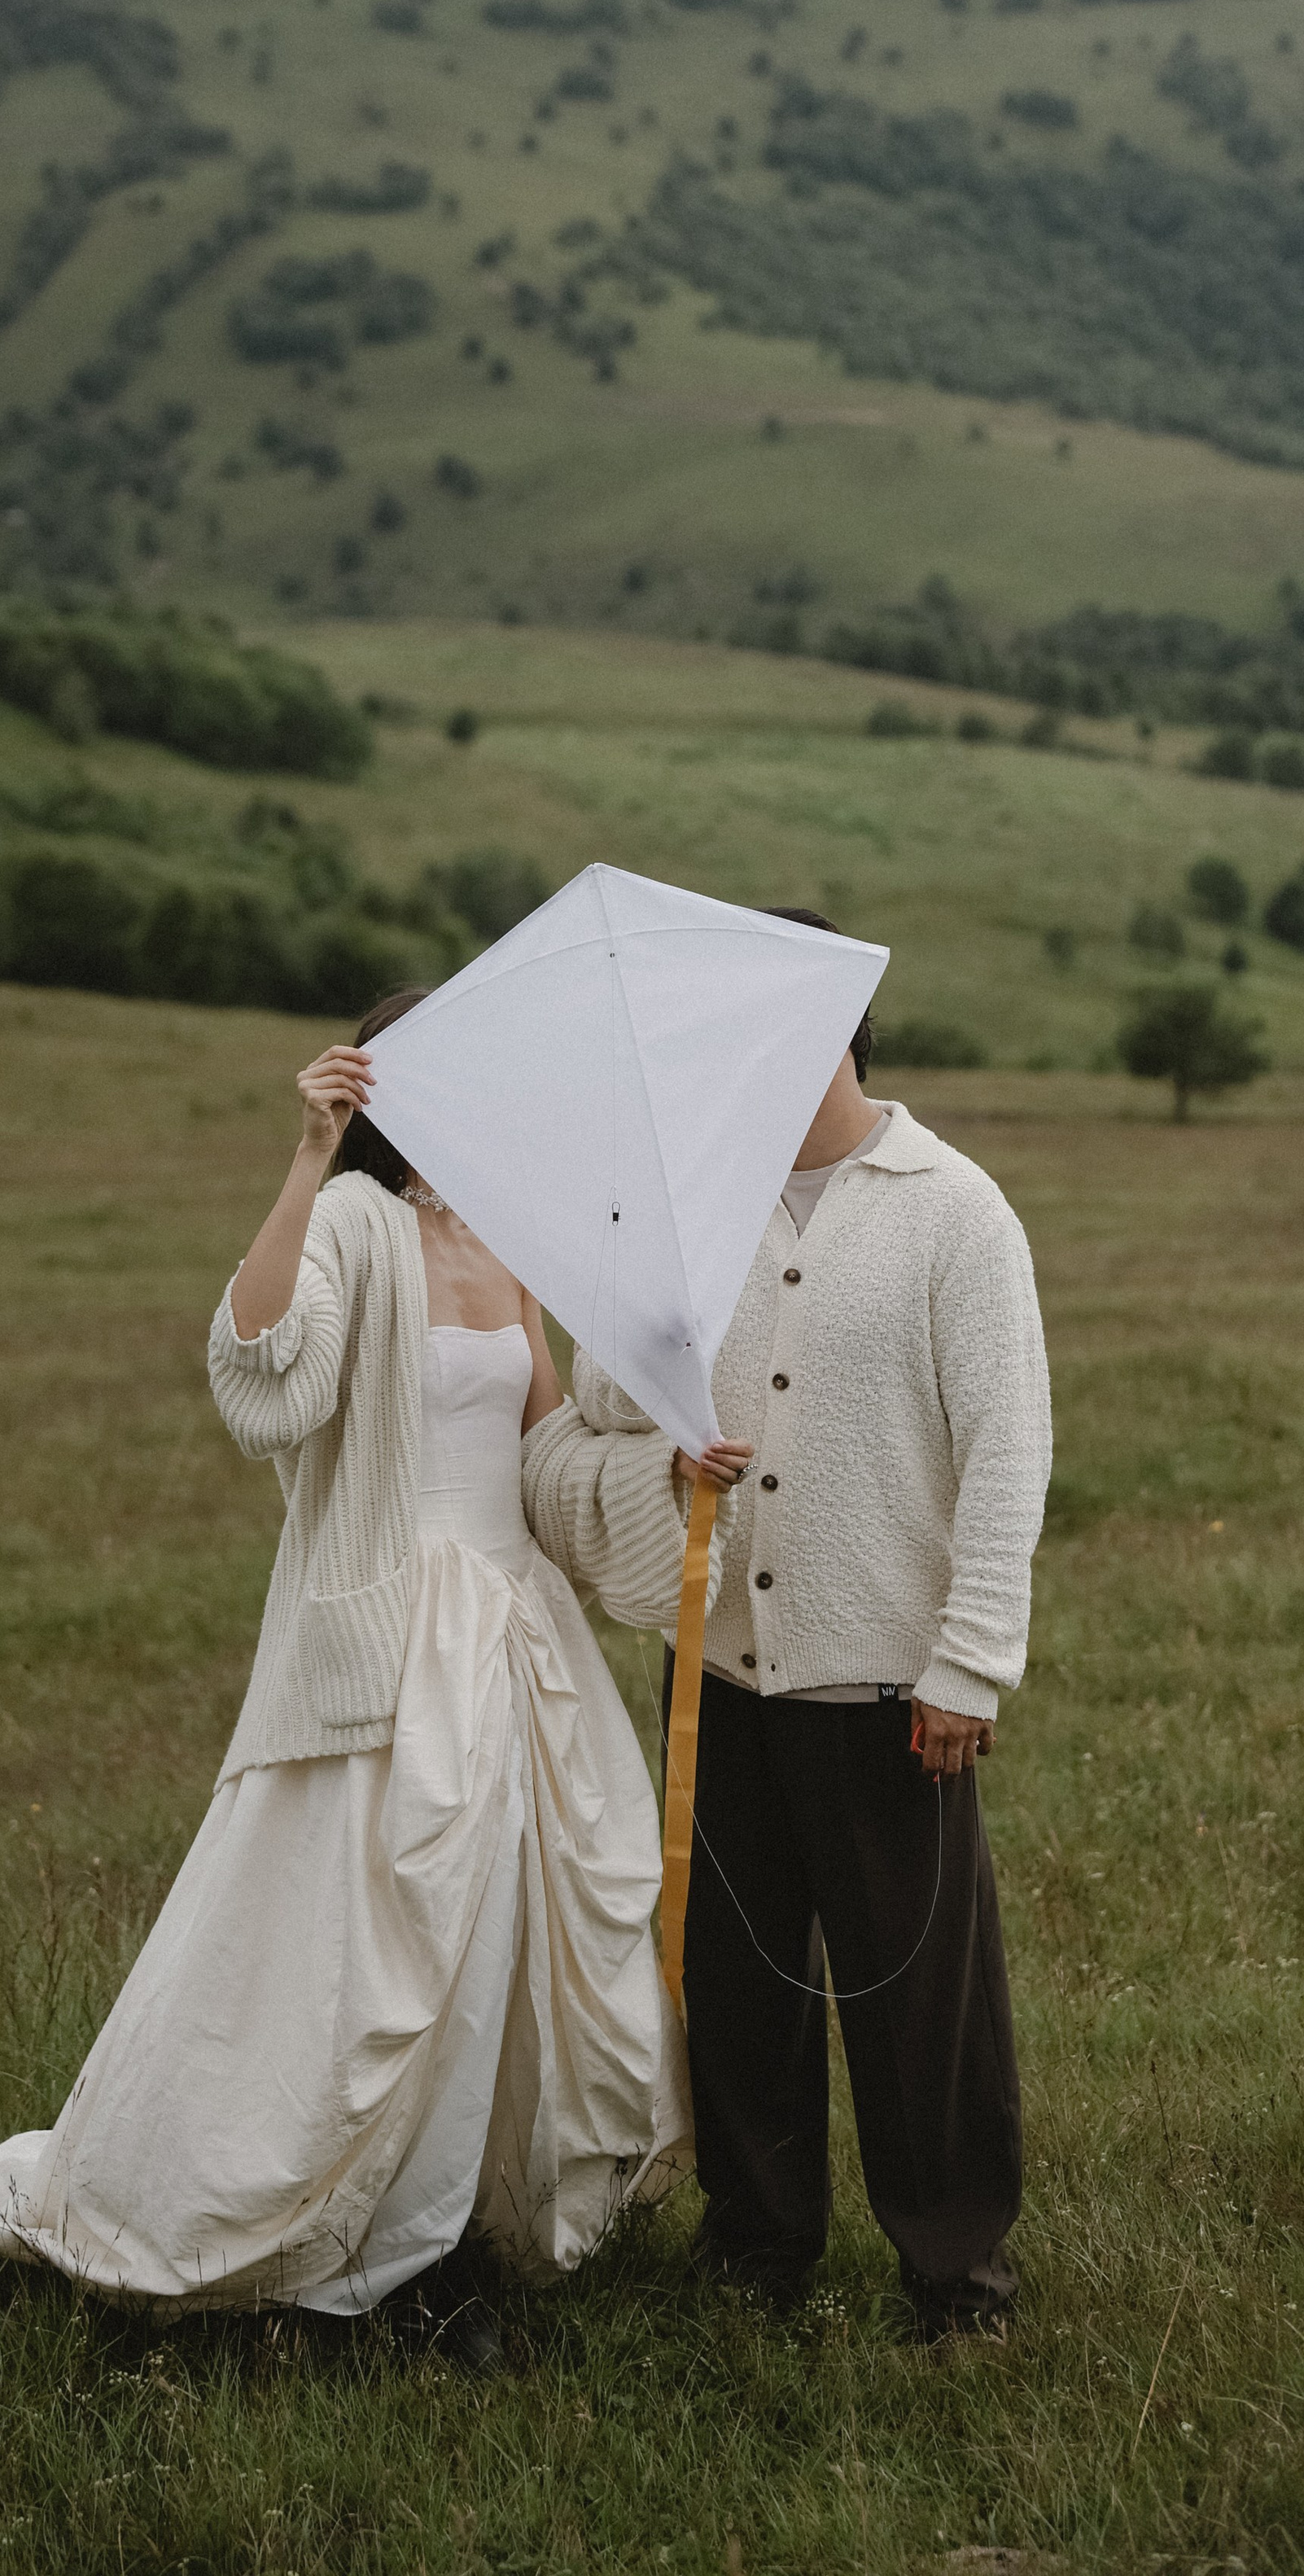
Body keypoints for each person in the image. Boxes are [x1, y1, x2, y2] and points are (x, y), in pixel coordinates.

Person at [0, 991, 698, 2369]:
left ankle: (447, 2239)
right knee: (373, 1954)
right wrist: (307, 1155)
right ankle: (345, 2244)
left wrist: (667, 1472)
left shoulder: (510, 1244)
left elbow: (549, 1449)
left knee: (496, 1937)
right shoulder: (355, 1226)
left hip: (511, 1636)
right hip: (389, 1644)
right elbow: (264, 1367)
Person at [523, 915, 1052, 2341]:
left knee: (918, 2004)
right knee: (743, 1990)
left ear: (827, 1027)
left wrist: (969, 1664)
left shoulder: (955, 1210)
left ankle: (958, 2277)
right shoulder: (691, 1214)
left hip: (890, 1685)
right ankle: (759, 2252)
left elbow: (1009, 1453)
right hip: (724, 1677)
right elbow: (602, 1409)